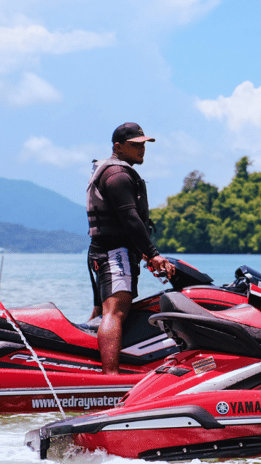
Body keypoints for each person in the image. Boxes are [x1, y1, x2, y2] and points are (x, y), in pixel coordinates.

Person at [86, 122, 175, 374]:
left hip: (106, 253)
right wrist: (153, 254)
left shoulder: (111, 171)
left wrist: (144, 253)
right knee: (115, 312)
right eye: (135, 145)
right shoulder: (117, 175)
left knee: (102, 312)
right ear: (118, 146)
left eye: (144, 144)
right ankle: (110, 377)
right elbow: (130, 218)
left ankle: (87, 364)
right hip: (115, 253)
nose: (142, 150)